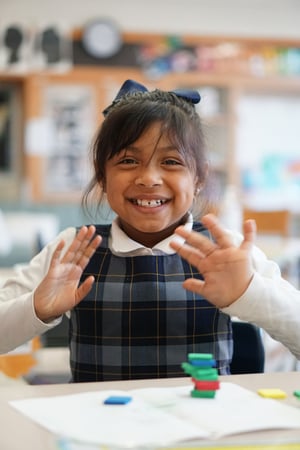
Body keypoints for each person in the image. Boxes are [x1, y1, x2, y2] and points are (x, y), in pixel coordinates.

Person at [1, 79, 300, 382]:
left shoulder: (226, 253)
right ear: (102, 175)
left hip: (206, 424)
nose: (149, 178)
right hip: (99, 425)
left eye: (171, 161)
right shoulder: (75, 248)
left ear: (199, 178)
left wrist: (248, 292)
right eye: (129, 161)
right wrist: (37, 308)